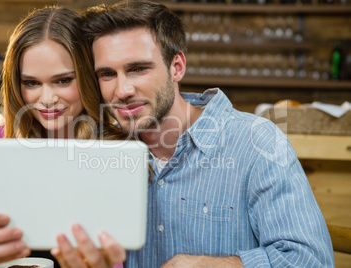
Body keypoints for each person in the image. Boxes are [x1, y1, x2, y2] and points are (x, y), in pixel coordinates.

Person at [53, 1, 335, 267]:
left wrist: (210, 264)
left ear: (177, 67)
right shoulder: (97, 148)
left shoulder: (256, 142)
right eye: (107, 74)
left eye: (138, 69)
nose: (122, 90)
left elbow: (313, 260)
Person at [0, 6, 126, 268]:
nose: (46, 99)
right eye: (31, 83)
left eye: (63, 80)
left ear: (88, 77)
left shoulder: (118, 150)